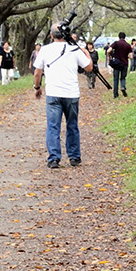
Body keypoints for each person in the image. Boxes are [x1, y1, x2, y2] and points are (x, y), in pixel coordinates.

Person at [32, 25, 100, 168]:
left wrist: (37, 87)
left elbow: (37, 72)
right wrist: (86, 53)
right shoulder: (74, 49)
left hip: (53, 93)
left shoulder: (45, 50)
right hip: (71, 93)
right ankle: (74, 157)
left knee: (53, 126)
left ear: (51, 36)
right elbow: (89, 68)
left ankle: (54, 158)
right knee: (72, 125)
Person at [107, 32, 133, 98]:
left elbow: (108, 51)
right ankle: (123, 87)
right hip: (125, 63)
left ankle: (115, 94)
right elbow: (131, 56)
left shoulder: (116, 43)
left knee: (116, 79)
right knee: (123, 77)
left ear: (119, 37)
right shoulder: (128, 45)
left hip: (117, 63)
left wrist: (109, 57)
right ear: (125, 37)